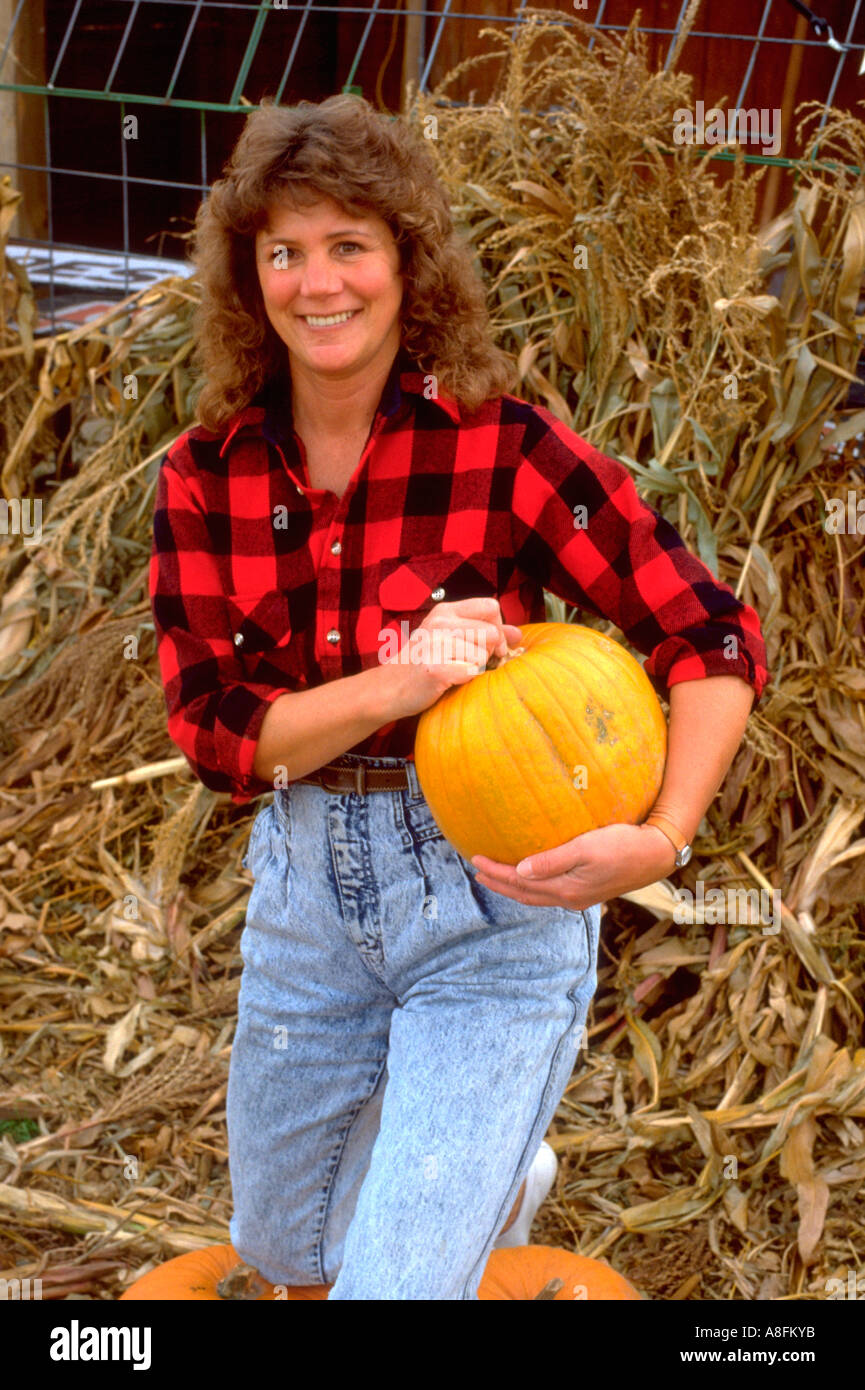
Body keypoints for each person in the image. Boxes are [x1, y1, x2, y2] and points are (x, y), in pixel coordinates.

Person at [149, 94, 770, 1300]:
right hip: (304, 898)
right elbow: (215, 734)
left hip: (490, 898)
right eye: (283, 251)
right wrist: (401, 678)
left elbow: (708, 634)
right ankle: (477, 1172)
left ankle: (464, 1149)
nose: (316, 283)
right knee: (286, 1256)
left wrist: (661, 834)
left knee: (393, 1288)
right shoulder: (206, 474)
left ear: (404, 263)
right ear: (249, 277)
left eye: (348, 247)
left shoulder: (506, 448)